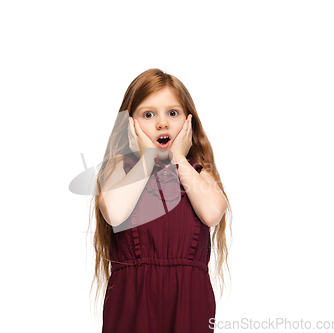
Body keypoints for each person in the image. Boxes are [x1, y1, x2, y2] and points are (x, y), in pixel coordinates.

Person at [87, 68, 232, 332]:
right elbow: (115, 213)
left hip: (189, 301)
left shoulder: (199, 172)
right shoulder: (120, 168)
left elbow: (212, 212)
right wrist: (146, 159)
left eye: (172, 113)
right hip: (133, 301)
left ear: (188, 122)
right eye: (148, 114)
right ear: (131, 124)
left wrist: (179, 159)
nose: (162, 123)